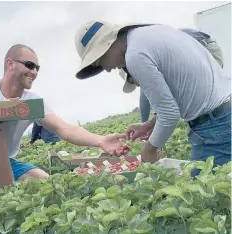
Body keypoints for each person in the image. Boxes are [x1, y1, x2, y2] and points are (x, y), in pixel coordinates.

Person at [0, 44, 130, 188]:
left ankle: (2, 183)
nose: (34, 72)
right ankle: (10, 196)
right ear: (10, 64)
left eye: (37, 68)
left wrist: (100, 141)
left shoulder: (32, 104)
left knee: (47, 184)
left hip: (6, 162)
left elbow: (65, 129)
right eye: (29, 65)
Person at [73, 21, 231, 174]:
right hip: (222, 115)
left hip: (214, 127)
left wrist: (149, 149)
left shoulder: (135, 56)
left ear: (106, 45)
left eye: (101, 61)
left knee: (205, 191)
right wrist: (149, 125)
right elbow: (179, 98)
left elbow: (170, 115)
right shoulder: (147, 34)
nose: (106, 69)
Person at [131, 28, 225, 122]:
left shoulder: (144, 59)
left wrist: (144, 123)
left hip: (205, 48)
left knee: (203, 103)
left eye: (132, 82)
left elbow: (147, 96)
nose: (138, 85)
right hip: (201, 48)